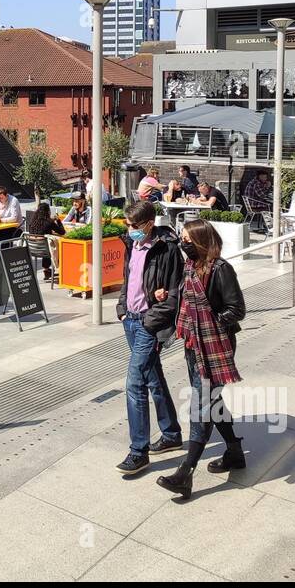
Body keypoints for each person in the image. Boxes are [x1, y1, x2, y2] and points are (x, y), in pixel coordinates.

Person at [155, 219, 246, 500]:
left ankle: (186, 471)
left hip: (215, 344)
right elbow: (186, 302)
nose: (183, 243)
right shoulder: (190, 267)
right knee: (212, 399)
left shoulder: (221, 269)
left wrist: (211, 323)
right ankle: (234, 452)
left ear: (201, 242)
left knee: (202, 403)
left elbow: (237, 308)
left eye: (187, 239)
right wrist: (166, 294)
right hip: (194, 343)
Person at [115, 201, 184, 476]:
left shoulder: (167, 249)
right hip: (130, 320)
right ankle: (171, 433)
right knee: (153, 377)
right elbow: (128, 280)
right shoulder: (131, 244)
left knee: (135, 384)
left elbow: (174, 293)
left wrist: (149, 321)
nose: (129, 230)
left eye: (133, 226)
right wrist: (122, 309)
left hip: (147, 324)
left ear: (148, 224)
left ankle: (138, 451)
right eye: (127, 225)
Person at [25, 201, 65, 281]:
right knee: (59, 247)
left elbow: (41, 231)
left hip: (34, 250)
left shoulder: (32, 222)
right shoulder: (49, 222)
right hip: (46, 250)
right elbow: (62, 232)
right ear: (48, 211)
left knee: (44, 244)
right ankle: (62, 270)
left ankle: (46, 270)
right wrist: (58, 220)